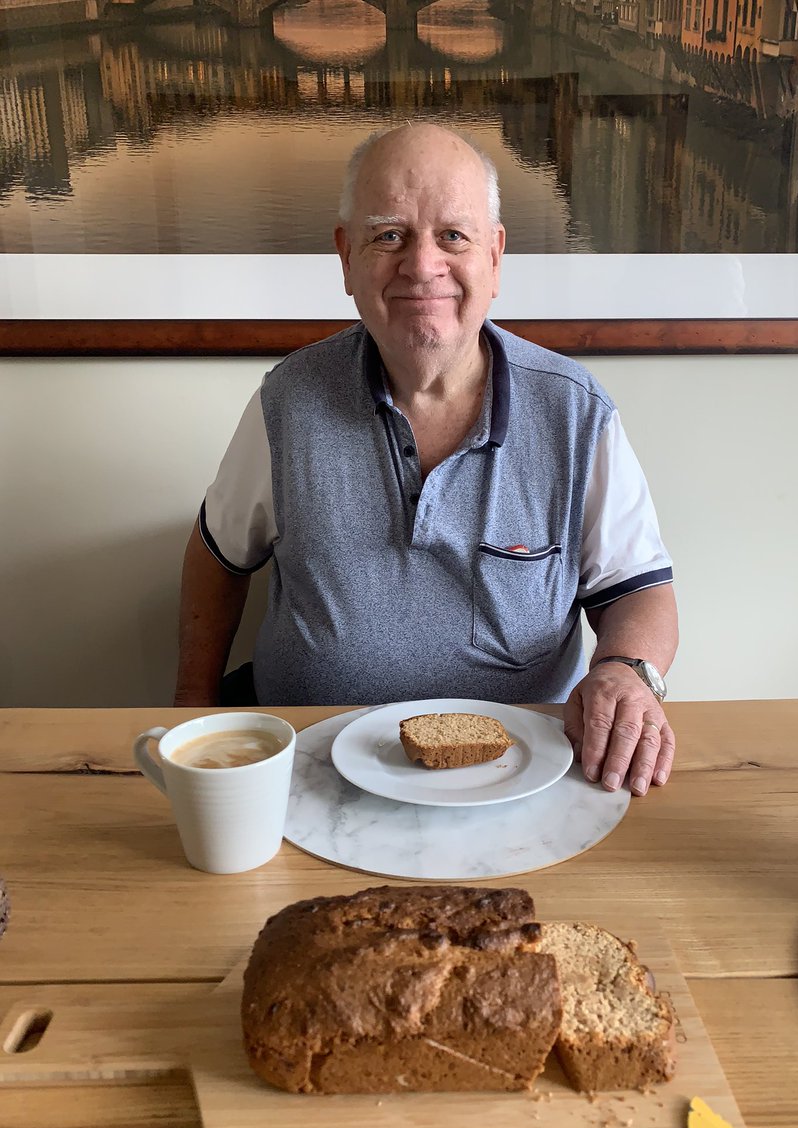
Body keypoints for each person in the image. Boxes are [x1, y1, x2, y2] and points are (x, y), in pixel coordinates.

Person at [175, 122, 678, 797]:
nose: (421, 266)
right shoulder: (287, 402)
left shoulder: (575, 412)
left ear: (494, 256)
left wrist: (626, 670)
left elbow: (639, 588)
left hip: (524, 775)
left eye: (453, 236)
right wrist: (191, 711)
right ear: (346, 257)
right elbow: (218, 554)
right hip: (310, 770)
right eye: (389, 236)